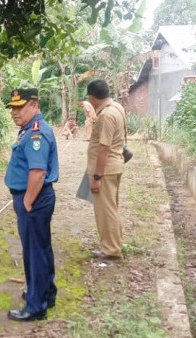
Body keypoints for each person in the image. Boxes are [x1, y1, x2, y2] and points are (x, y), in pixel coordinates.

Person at [4, 88, 59, 321]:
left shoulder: (36, 133)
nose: (15, 112)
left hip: (33, 200)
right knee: (42, 248)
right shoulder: (28, 130)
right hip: (36, 199)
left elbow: (37, 172)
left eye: (20, 106)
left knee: (34, 253)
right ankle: (46, 293)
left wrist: (27, 202)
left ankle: (36, 306)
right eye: (13, 107)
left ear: (35, 105)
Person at [86, 80, 126, 260]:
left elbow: (103, 148)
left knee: (106, 210)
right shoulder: (117, 107)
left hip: (106, 169)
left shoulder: (106, 116)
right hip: (113, 165)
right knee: (110, 208)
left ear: (92, 98)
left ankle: (111, 249)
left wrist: (97, 176)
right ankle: (113, 244)